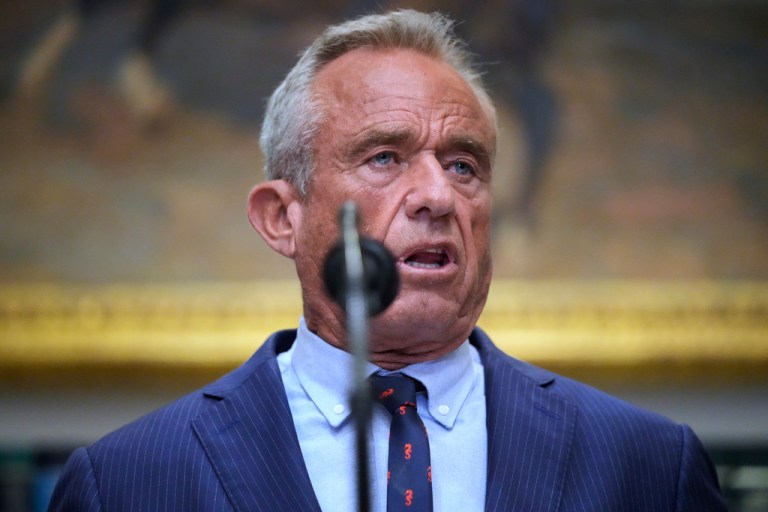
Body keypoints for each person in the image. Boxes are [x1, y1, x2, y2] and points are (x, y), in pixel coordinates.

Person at [49, 9, 727, 512]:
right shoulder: (128, 484)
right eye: (384, 157)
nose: (438, 194)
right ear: (282, 217)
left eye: (463, 164)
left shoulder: (646, 469)